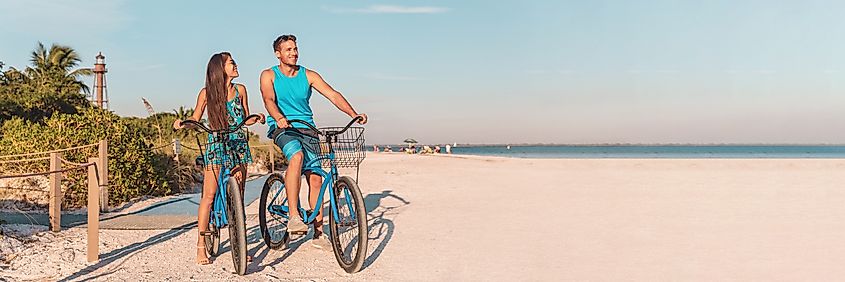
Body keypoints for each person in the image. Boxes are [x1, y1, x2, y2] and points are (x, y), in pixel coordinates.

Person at [260, 34, 367, 249]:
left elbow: (333, 95)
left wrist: (353, 114)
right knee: (297, 156)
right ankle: (293, 216)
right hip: (283, 128)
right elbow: (268, 99)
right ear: (278, 54)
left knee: (316, 179)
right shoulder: (268, 75)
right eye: (288, 49)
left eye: (295, 48)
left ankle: (319, 234)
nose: (293, 52)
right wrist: (279, 117)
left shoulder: (308, 75)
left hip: (307, 128)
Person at [173, 52, 264, 265]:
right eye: (232, 63)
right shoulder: (206, 93)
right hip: (216, 144)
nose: (236, 65)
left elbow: (246, 118)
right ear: (220, 68)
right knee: (209, 196)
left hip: (239, 144)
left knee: (238, 197)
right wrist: (182, 123)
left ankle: (239, 244)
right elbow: (195, 119)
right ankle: (200, 247)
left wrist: (256, 118)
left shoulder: (240, 90)